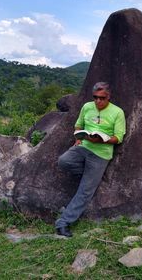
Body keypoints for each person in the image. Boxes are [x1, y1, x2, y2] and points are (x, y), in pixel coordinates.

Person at [55, 82, 126, 237]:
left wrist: (103, 140)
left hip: (101, 153)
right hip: (84, 146)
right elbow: (78, 125)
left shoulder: (117, 112)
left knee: (85, 191)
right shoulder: (87, 107)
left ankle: (63, 223)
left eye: (102, 98)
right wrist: (79, 137)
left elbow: (118, 138)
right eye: (95, 98)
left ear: (109, 97)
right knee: (63, 161)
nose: (98, 101)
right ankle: (90, 176)